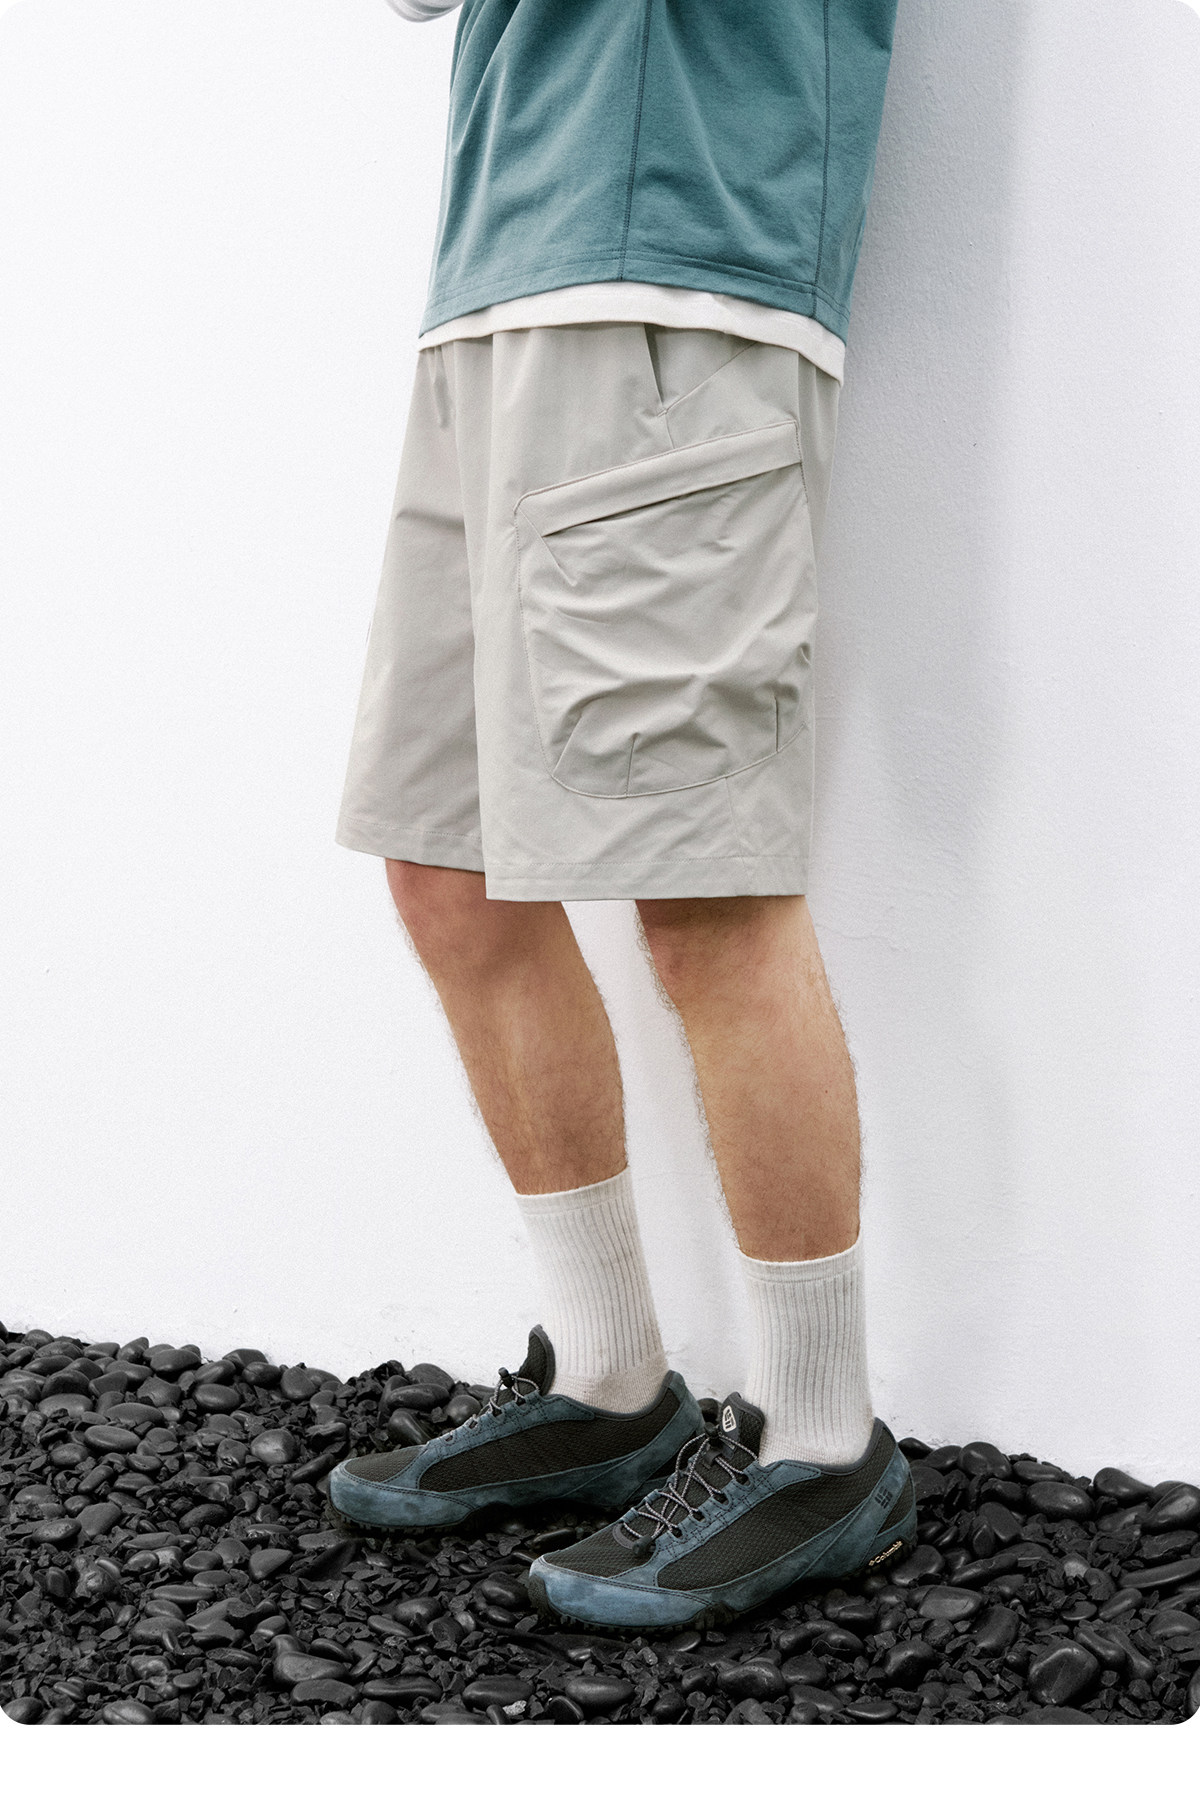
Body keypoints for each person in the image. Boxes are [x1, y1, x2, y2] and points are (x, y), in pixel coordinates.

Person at [326, 0, 915, 1631]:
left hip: (677, 283)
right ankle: (608, 1387)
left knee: (701, 889)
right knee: (447, 870)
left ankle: (824, 1442)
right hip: (489, 288)